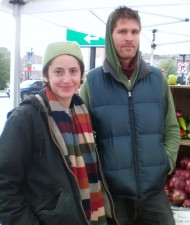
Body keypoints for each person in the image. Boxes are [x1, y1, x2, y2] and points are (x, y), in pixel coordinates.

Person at [79, 6, 180, 225]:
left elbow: (171, 127)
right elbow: (82, 137)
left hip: (154, 194)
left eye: (134, 32)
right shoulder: (93, 82)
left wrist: (166, 162)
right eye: (122, 31)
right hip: (114, 197)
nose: (129, 38)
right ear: (110, 35)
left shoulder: (156, 79)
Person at [0, 41, 116, 225]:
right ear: (46, 74)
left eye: (73, 71)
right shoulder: (25, 118)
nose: (67, 79)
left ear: (81, 74)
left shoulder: (82, 112)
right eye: (58, 71)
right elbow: (4, 184)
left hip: (89, 217)